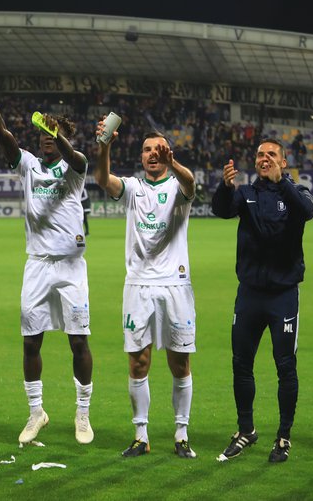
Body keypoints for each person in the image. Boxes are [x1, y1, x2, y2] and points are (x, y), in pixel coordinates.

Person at [0, 61, 94, 445]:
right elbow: (3, 134)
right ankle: (36, 412)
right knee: (30, 341)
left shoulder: (75, 169)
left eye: (51, 133)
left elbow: (76, 159)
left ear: (62, 137)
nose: (44, 138)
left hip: (71, 267)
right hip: (37, 265)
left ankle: (83, 414)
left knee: (78, 340)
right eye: (41, 133)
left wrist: (60, 138)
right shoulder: (28, 165)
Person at [212, 138, 313, 463]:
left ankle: (283, 437)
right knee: (241, 363)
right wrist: (225, 187)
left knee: (285, 366)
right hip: (250, 295)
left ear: (284, 163)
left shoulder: (296, 193)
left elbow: (307, 212)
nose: (264, 158)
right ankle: (246, 430)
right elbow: (221, 210)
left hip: (283, 295)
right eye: (260, 154)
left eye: (271, 154)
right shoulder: (246, 194)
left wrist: (281, 184)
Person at [97, 126, 198, 458]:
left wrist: (176, 163)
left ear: (168, 155)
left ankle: (181, 435)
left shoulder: (177, 186)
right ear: (140, 156)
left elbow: (191, 185)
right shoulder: (133, 188)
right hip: (138, 286)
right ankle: (141, 435)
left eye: (159, 149)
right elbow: (102, 179)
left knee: (179, 363)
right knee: (138, 363)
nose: (152, 153)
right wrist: (104, 146)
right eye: (146, 149)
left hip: (175, 285)